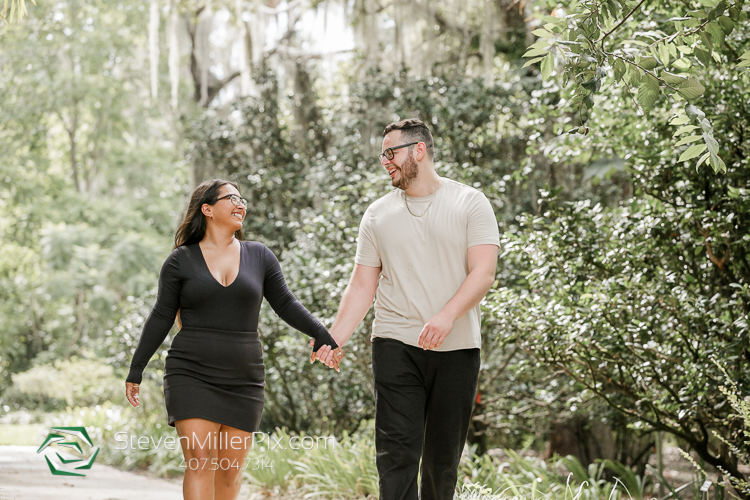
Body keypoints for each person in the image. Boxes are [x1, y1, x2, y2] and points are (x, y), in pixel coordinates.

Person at [313, 119, 500, 499]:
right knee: (396, 455)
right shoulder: (377, 215)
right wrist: (333, 339)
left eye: (390, 152)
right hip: (395, 343)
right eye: (382, 154)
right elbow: (362, 284)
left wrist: (447, 316)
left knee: (441, 461)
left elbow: (484, 273)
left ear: (419, 150)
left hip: (458, 348)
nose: (384, 161)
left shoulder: (470, 202)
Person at [125, 179, 343, 500]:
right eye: (232, 198)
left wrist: (323, 335)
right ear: (208, 209)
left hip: (244, 379)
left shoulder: (259, 256)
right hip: (191, 373)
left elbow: (285, 303)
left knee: (229, 472)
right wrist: (136, 369)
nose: (241, 204)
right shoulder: (180, 261)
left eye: (243, 199)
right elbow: (161, 316)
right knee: (200, 462)